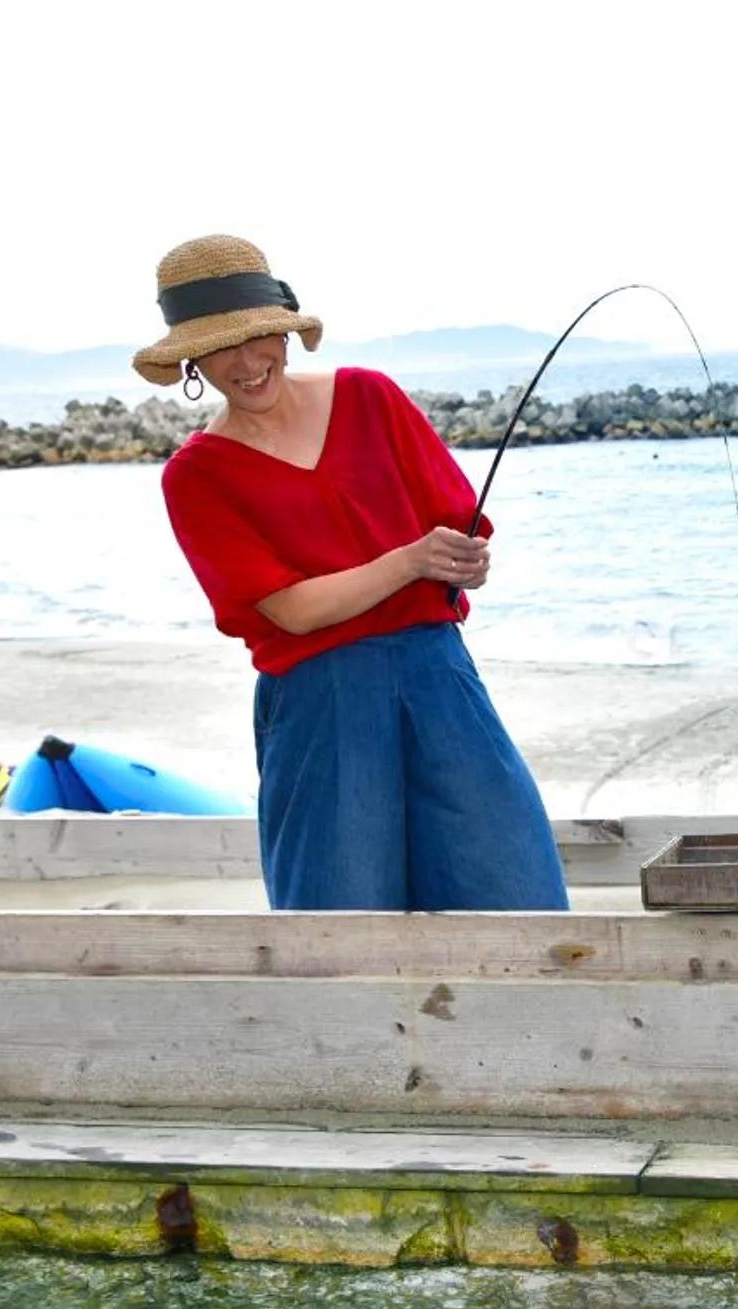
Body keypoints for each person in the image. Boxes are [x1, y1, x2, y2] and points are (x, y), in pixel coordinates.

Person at [135, 234, 570, 912]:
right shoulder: (196, 476)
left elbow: (457, 529)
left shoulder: (371, 396)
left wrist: (464, 559)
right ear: (191, 358)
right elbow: (292, 610)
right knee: (337, 924)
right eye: (223, 347)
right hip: (321, 704)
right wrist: (411, 560)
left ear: (286, 333)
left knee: (516, 896)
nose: (249, 364)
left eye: (261, 339)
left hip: (440, 681)